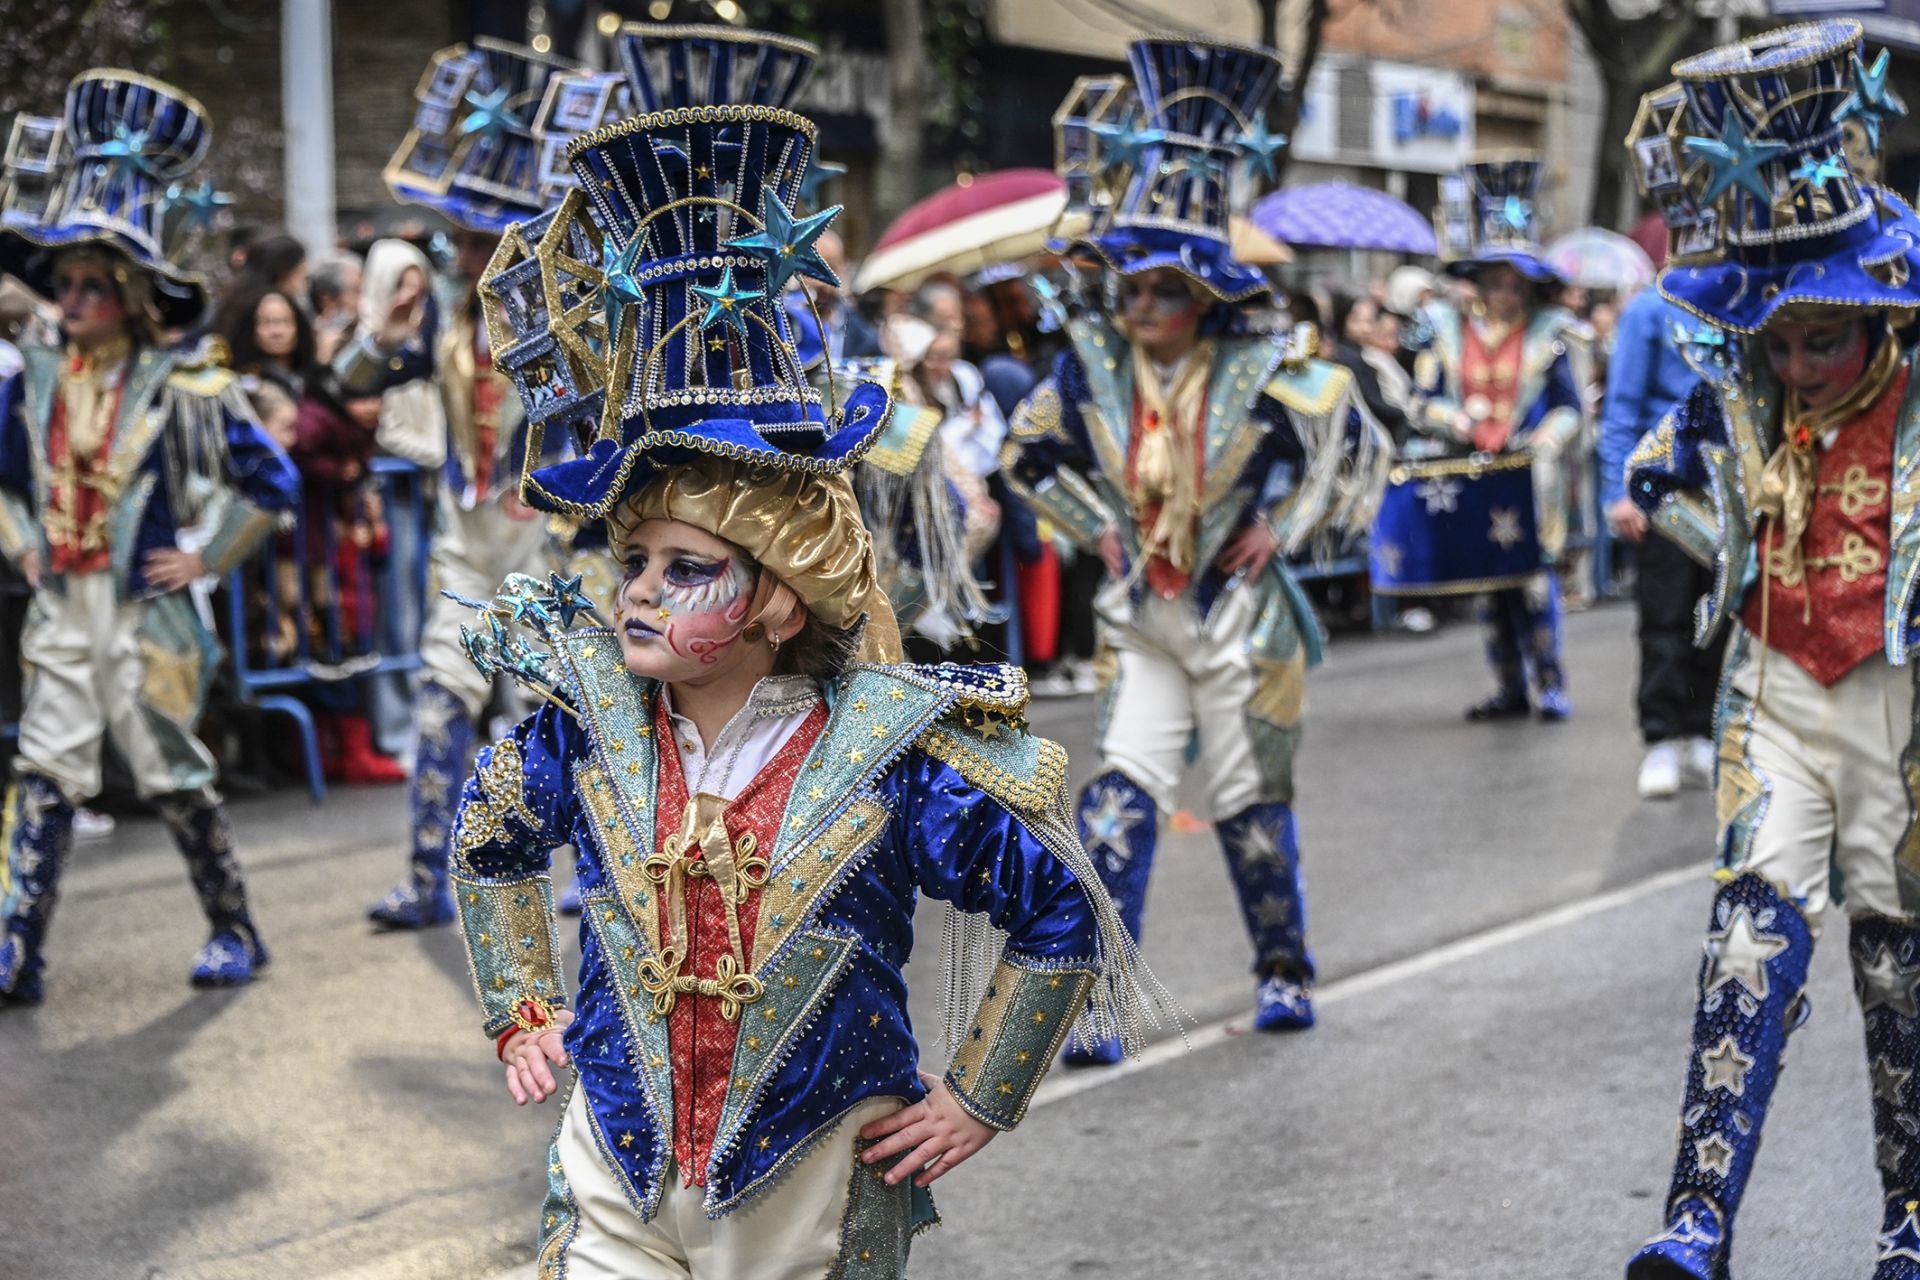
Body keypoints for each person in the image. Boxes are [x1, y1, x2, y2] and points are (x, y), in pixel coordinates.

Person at [456, 45, 1155, 1275]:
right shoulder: (587, 726)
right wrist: (521, 1004)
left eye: (688, 569)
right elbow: (489, 836)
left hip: (810, 1179)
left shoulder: (891, 755)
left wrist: (981, 1094)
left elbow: (1058, 909)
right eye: (637, 562)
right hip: (611, 1161)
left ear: (780, 601)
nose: (641, 593)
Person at [1005, 37, 1387, 1056]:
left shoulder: (1265, 365)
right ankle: (1102, 998)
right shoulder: (1091, 367)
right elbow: (1025, 456)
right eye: (1130, 288)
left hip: (1240, 621)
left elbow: (1349, 448)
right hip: (1143, 617)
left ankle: (1283, 970)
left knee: (1250, 808)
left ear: (1205, 295)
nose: (1140, 307)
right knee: (1120, 803)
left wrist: (1288, 528)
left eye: (1164, 290)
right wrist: (1094, 526)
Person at [1619, 23, 1920, 1276]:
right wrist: (1718, 532)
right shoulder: (1737, 392)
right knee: (1747, 930)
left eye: (1823, 339)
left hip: (1902, 702)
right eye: (1776, 340)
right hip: (1775, 687)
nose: (1795, 363)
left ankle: (1911, 1217)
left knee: (1898, 962)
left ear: (1880, 323)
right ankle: (1696, 1219)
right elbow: (1654, 473)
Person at [0, 71, 300, 1004]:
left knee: (171, 774)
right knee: (45, 769)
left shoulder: (182, 390)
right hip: (65, 601)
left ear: (129, 295)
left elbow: (272, 482)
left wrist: (208, 556)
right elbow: (4, 482)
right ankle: (17, 950)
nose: (72, 296)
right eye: (67, 281)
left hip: (146, 613)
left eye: (93, 283)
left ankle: (234, 928)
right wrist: (17, 537)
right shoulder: (32, 385)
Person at [336, 37, 585, 928]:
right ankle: (424, 879)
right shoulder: (443, 320)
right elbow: (350, 386)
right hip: (466, 540)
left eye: (491, 236)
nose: (475, 252)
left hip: (547, 545)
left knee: (559, 713)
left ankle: (591, 867)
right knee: (442, 701)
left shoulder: (571, 316)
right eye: (466, 236)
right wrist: (382, 329)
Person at [1381, 156, 1585, 720]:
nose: (1505, 292)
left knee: (1535, 584)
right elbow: (1424, 401)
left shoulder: (1552, 337)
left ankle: (1550, 682)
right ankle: (1509, 686)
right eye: (1495, 280)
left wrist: (1543, 440)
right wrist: (1460, 422)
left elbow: (1569, 407)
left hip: (1528, 475)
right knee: (1490, 586)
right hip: (1474, 470)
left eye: (1514, 281)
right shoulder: (1447, 333)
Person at [1601, 285, 1714, 799]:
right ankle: (1663, 736)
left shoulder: (1735, 294)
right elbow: (1621, 404)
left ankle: (1703, 731)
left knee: (1718, 615)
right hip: (1664, 491)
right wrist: (1618, 491)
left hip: (1727, 489)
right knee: (1665, 617)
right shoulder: (1649, 309)